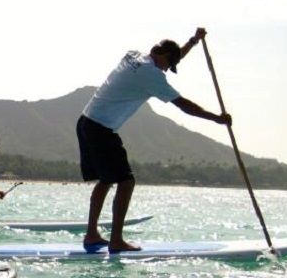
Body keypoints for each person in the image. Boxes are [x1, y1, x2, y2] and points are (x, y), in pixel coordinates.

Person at [77, 27, 231, 252]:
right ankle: (116, 240)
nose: (168, 70)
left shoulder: (134, 55)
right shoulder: (152, 75)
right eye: (169, 65)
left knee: (106, 180)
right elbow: (183, 105)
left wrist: (193, 41)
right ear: (163, 57)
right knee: (126, 181)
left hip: (86, 121)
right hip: (100, 129)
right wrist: (216, 118)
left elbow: (171, 55)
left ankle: (92, 235)